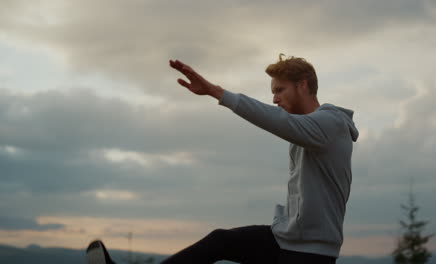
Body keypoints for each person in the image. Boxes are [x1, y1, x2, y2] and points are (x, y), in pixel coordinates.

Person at [86, 54, 359, 264]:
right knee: (220, 241)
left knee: (221, 242)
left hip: (309, 253)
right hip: (287, 240)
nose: (274, 98)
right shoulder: (309, 131)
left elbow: (279, 121)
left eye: (280, 90)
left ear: (303, 85)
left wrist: (218, 93)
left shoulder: (331, 122)